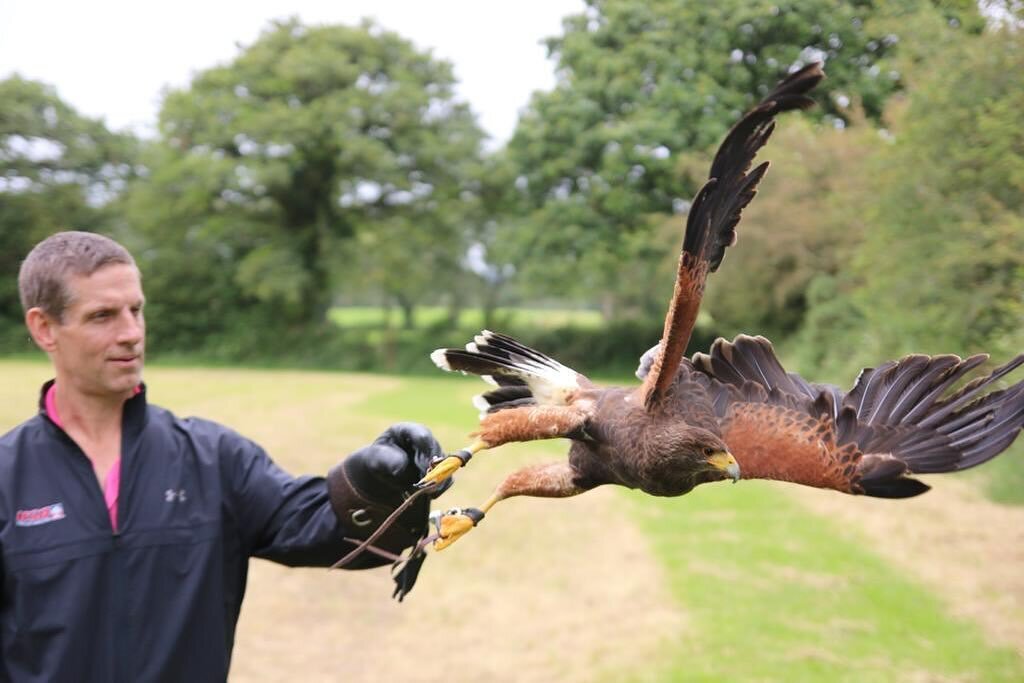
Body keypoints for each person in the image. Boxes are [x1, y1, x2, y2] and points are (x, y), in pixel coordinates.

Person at [0, 231, 444, 682]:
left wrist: (383, 484)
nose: (131, 334)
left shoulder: (212, 458)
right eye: (102, 316)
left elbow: (318, 526)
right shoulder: (6, 477)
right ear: (44, 328)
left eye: (136, 310)